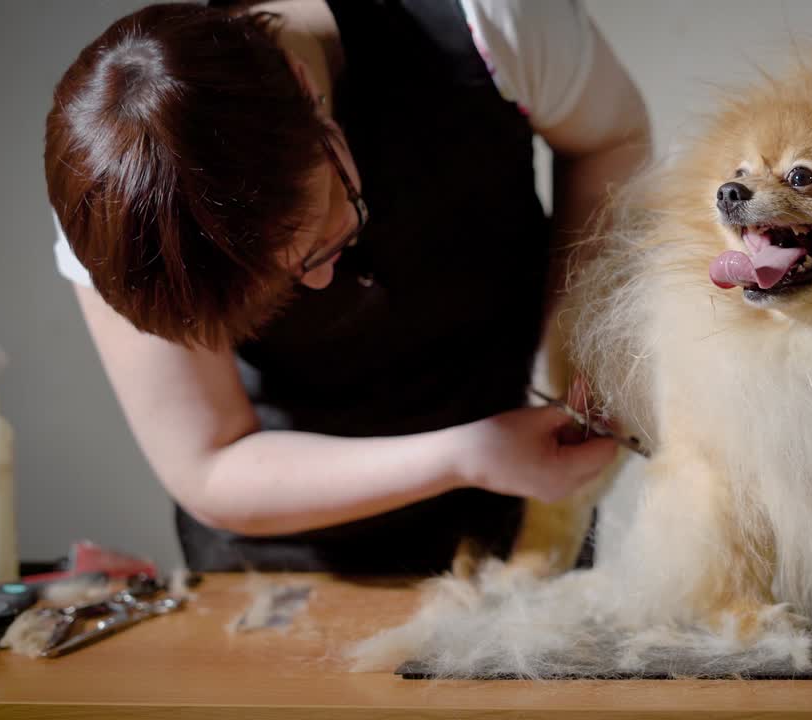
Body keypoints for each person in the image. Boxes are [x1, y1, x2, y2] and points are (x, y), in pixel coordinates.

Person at [45, 0, 651, 575]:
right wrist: (469, 456)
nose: (322, 280)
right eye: (278, 288)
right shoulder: (114, 212)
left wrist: (575, 350)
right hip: (278, 558)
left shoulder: (488, 22)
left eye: (328, 237)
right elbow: (207, 466)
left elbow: (609, 140)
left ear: (307, 90)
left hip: (521, 515)